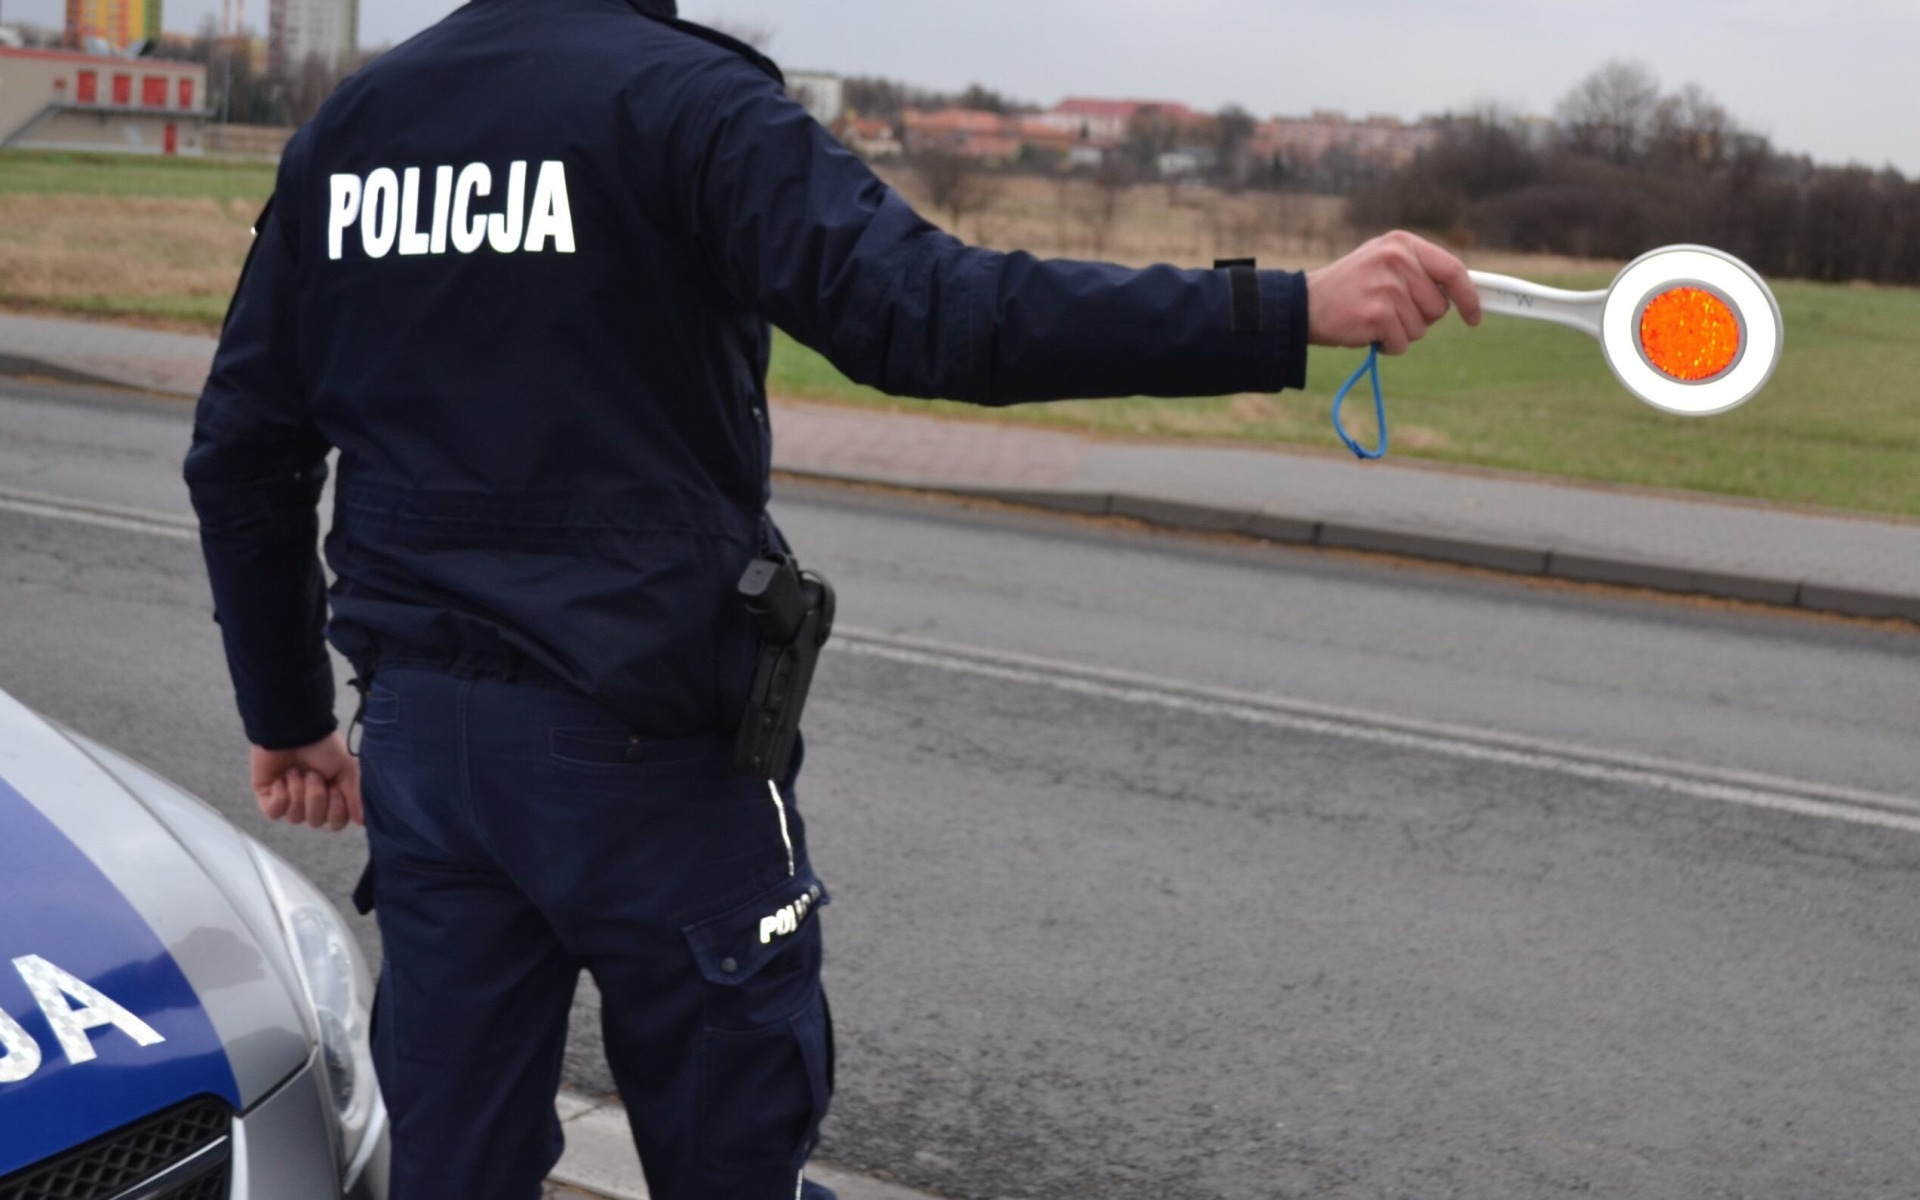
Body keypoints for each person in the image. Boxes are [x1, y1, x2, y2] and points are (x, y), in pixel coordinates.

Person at [185, 2, 1481, 1197]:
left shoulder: (353, 129)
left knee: (449, 1171)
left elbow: (244, 452)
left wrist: (290, 708)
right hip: (646, 754)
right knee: (734, 1159)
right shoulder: (684, 103)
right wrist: (1290, 308)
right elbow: (933, 314)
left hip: (425, 756)